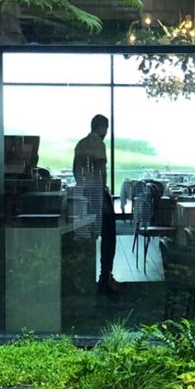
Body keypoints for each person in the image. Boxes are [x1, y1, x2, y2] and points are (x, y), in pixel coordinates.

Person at [73, 114, 120, 294]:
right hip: (97, 194)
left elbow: (75, 171)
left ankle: (87, 278)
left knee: (88, 236)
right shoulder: (98, 144)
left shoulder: (80, 144)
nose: (106, 132)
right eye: (106, 128)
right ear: (101, 127)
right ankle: (105, 276)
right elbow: (100, 170)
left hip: (83, 194)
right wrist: (102, 197)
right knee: (109, 237)